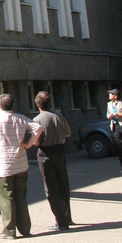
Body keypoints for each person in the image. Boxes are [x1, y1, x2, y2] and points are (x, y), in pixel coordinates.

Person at [0, 93, 43, 239]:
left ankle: (9, 231)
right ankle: (25, 229)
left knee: (6, 198)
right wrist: (29, 143)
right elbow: (38, 128)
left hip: (3, 166)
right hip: (21, 164)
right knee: (21, 197)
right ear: (12, 105)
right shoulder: (21, 118)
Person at [33, 91, 73, 232]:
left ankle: (61, 222)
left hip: (45, 153)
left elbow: (35, 141)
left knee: (51, 188)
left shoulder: (37, 120)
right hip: (60, 151)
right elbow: (68, 133)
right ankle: (67, 217)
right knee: (63, 183)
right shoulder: (59, 116)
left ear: (37, 104)